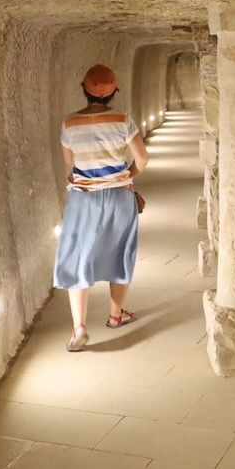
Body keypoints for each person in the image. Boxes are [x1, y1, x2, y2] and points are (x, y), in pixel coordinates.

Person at [53, 64, 149, 351]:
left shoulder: (70, 123)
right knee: (121, 253)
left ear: (83, 89)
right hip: (119, 197)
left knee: (78, 256)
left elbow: (71, 163)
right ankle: (115, 316)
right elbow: (142, 160)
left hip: (83, 199)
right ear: (113, 92)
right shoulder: (123, 119)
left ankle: (79, 328)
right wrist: (124, 177)